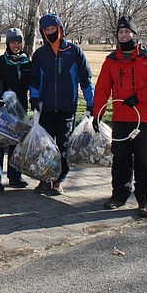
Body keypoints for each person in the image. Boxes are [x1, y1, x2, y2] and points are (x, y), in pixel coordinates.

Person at [93, 16, 147, 218]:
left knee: (145, 160)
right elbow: (102, 89)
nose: (124, 35)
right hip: (121, 119)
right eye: (121, 32)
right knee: (121, 159)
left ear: (134, 34)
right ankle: (119, 195)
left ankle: (144, 199)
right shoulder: (111, 61)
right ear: (117, 35)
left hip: (144, 119)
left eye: (128, 32)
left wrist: (139, 97)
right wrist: (97, 114)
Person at [29, 13, 94, 196]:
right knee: (46, 146)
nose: (50, 32)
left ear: (59, 29)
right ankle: (45, 178)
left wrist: (91, 103)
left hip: (67, 108)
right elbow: (35, 80)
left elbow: (85, 80)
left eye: (53, 29)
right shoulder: (40, 54)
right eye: (46, 30)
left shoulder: (74, 51)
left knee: (64, 145)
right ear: (43, 32)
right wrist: (34, 98)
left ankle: (59, 180)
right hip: (46, 108)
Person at [0, 27, 31, 189]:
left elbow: (32, 84)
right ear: (8, 43)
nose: (16, 46)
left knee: (16, 144)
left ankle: (14, 176)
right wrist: (0, 96)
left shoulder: (27, 63)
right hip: (0, 110)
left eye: (19, 42)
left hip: (20, 110)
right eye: (13, 42)